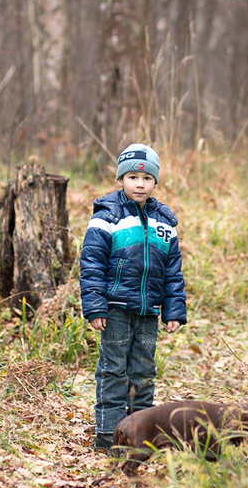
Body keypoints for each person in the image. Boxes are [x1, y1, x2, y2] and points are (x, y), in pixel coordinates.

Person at [79, 143, 187, 453]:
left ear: (155, 182)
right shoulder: (107, 216)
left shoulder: (165, 222)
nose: (139, 184)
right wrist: (95, 306)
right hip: (114, 309)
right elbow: (92, 263)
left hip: (148, 311)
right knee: (113, 370)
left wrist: (174, 311)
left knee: (143, 372)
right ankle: (108, 437)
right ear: (120, 180)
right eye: (131, 177)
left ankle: (139, 438)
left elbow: (173, 271)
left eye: (146, 179)